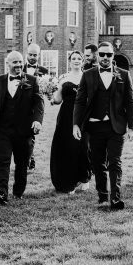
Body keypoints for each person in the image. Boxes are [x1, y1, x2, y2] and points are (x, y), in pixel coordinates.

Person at [72, 41, 133, 211]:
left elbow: (129, 102)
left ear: (113, 56)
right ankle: (102, 196)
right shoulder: (88, 74)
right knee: (98, 163)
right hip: (94, 126)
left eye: (109, 54)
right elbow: (79, 101)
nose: (105, 57)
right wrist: (76, 124)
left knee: (115, 162)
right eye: (102, 54)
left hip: (116, 126)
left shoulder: (124, 74)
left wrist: (132, 127)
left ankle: (115, 199)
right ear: (97, 55)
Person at [0, 51, 44, 205]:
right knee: (3, 161)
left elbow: (39, 103)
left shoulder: (32, 80)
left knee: (22, 163)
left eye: (20, 62)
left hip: (24, 131)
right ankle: (1, 193)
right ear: (7, 64)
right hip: (2, 130)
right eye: (14, 62)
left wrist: (37, 121)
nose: (18, 65)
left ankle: (18, 192)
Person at [49, 50, 92, 194]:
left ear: (82, 61)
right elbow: (58, 99)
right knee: (67, 147)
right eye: (73, 58)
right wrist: (51, 97)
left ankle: (84, 178)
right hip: (66, 116)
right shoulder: (63, 78)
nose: (76, 60)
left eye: (79, 58)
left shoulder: (87, 77)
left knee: (83, 147)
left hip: (82, 116)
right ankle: (69, 181)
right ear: (69, 60)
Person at [23, 43, 49, 171]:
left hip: (36, 108)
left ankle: (29, 160)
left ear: (39, 55)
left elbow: (47, 89)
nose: (32, 57)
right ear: (26, 53)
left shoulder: (44, 71)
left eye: (35, 55)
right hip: (21, 107)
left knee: (30, 134)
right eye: (30, 54)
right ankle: (29, 159)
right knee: (23, 135)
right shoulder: (19, 68)